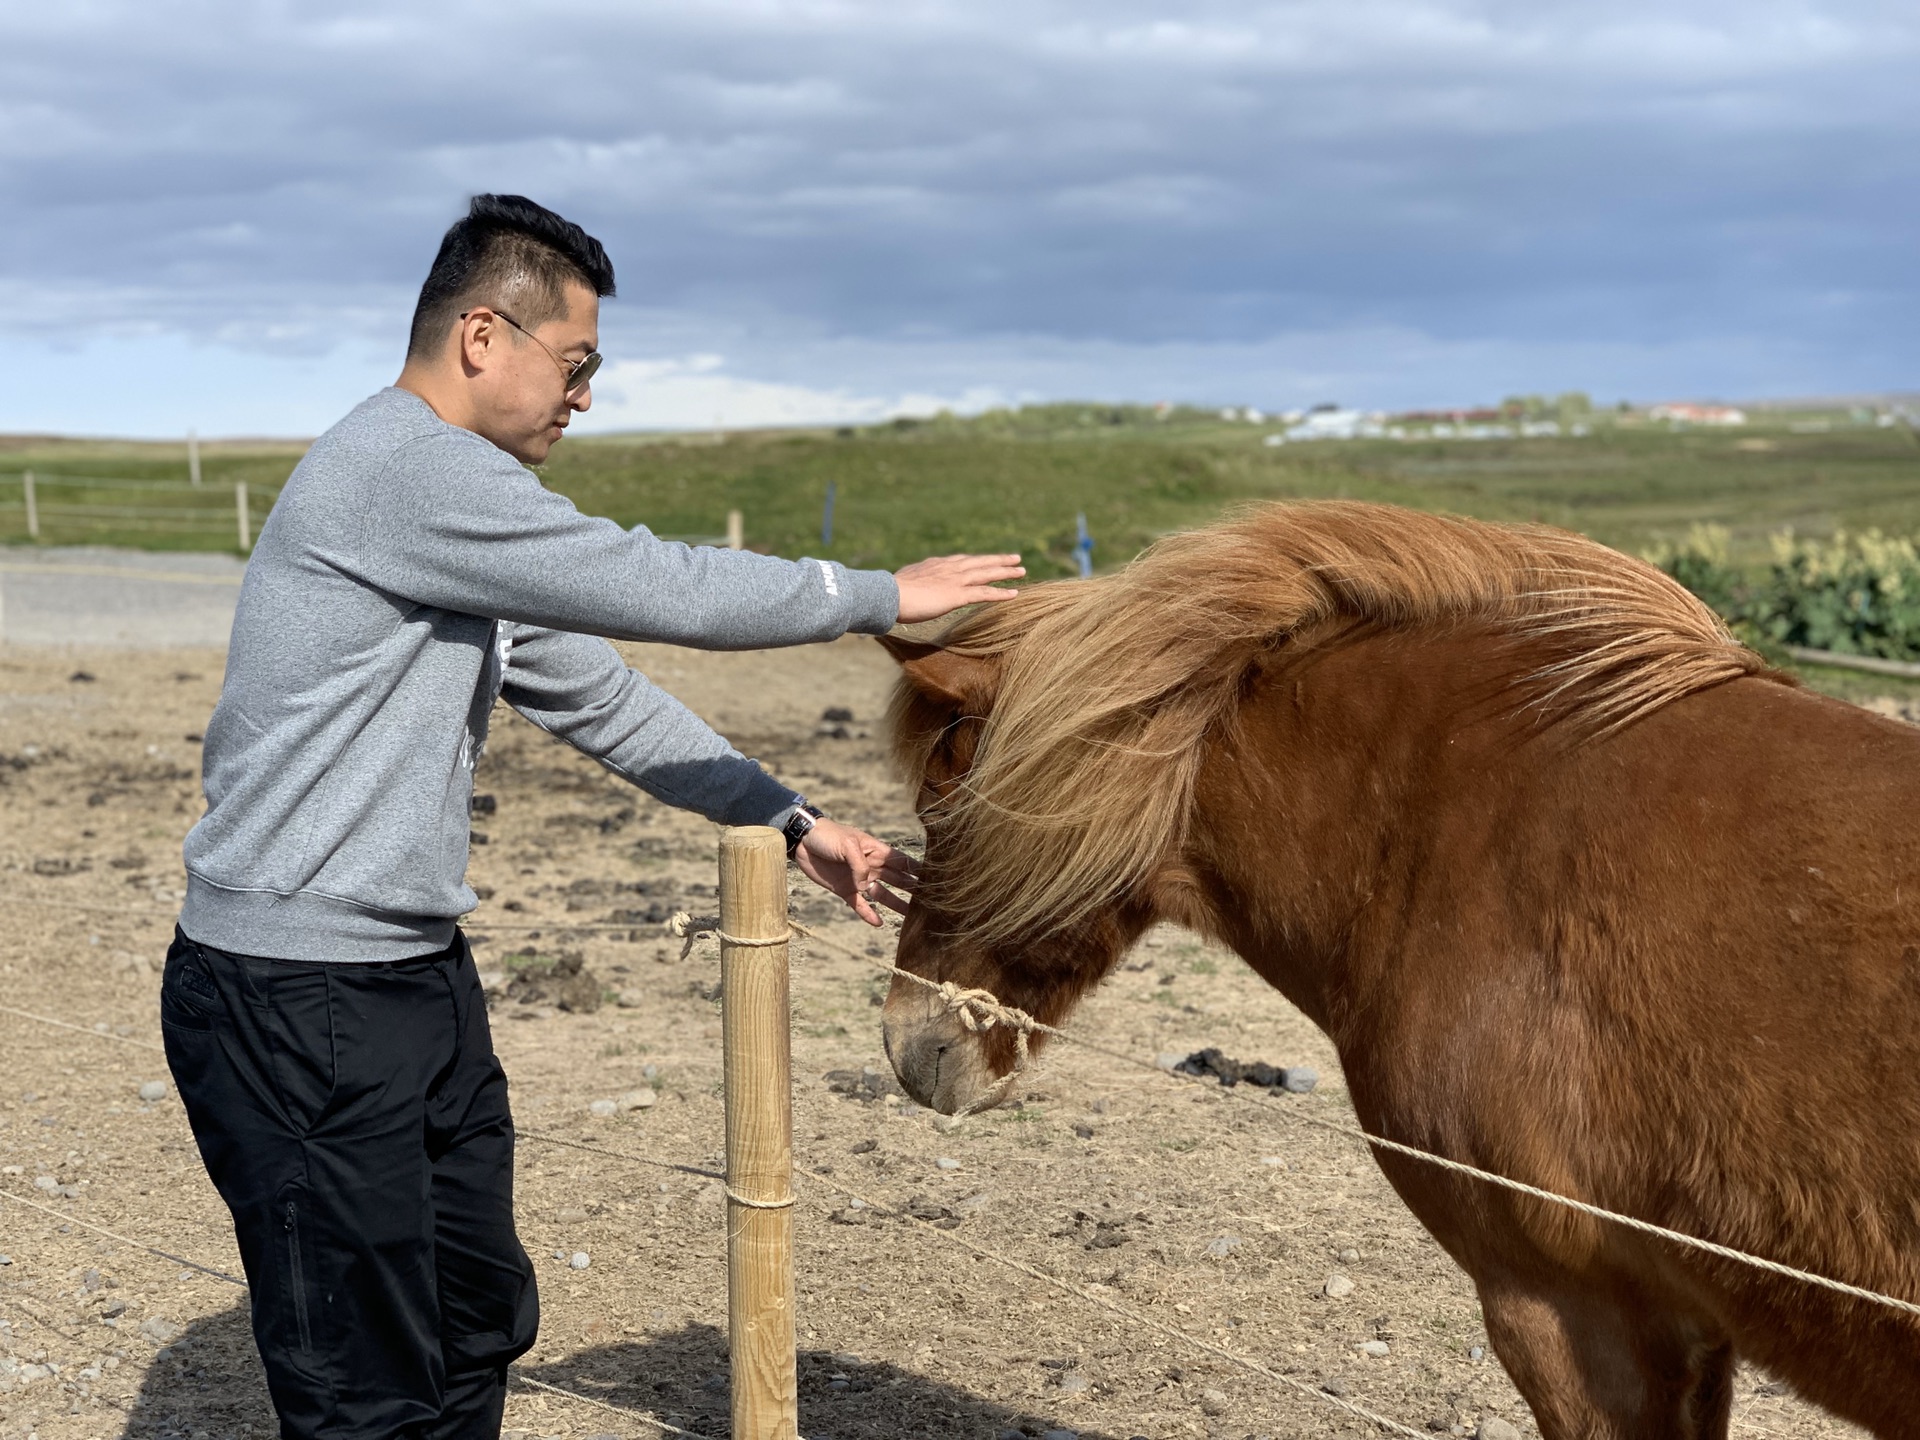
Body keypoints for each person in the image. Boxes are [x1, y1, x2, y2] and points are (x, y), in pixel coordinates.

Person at [159, 193, 1022, 1440]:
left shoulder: (461, 524)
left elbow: (598, 692)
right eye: (576, 364)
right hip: (294, 988)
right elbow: (649, 580)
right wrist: (873, 591)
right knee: (362, 1381)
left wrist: (789, 818)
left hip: (407, 977)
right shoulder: (408, 470)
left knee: (470, 1314)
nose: (583, 396)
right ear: (480, 336)